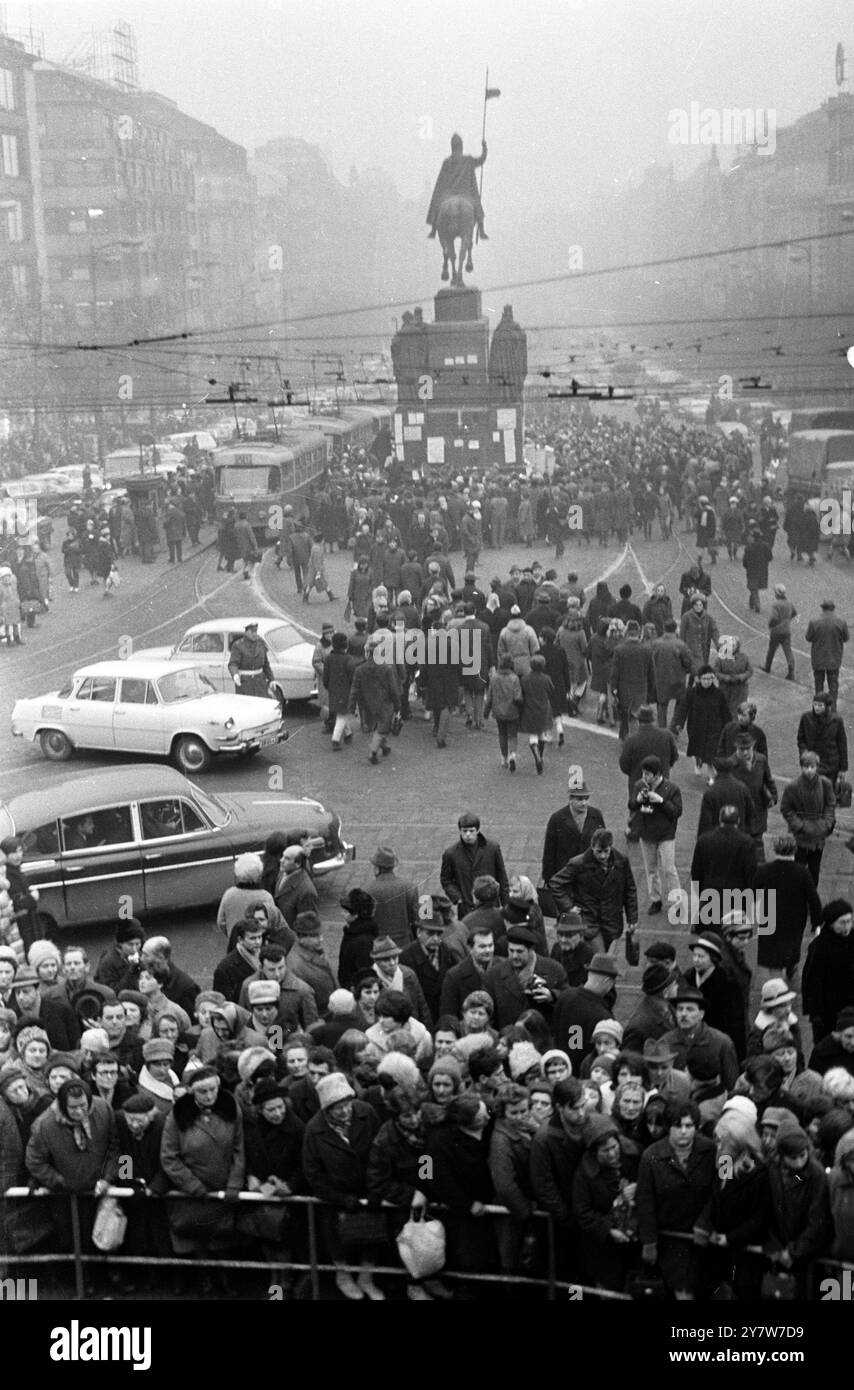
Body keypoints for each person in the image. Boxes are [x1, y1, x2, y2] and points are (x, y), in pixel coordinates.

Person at [302, 1072, 383, 1300]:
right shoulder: (314, 1130)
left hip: (368, 1190)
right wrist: (337, 1197)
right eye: (338, 1108)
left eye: (348, 1104)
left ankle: (366, 1278)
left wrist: (377, 1186)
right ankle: (343, 1275)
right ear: (327, 1109)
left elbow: (381, 1150)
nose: (346, 1111)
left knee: (372, 1234)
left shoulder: (366, 1113)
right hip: (335, 1197)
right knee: (336, 1239)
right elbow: (312, 1172)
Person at [636, 1098, 717, 1297]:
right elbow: (645, 1202)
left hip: (705, 1238)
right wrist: (649, 1242)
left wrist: (705, 1223)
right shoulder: (650, 1156)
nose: (683, 1131)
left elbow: (723, 1190)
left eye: (689, 1126)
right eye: (677, 1125)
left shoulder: (715, 1151)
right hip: (671, 1241)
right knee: (683, 1292)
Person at [549, 827, 638, 954]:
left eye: (606, 851)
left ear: (611, 847)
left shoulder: (621, 861)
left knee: (605, 957)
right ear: (592, 848)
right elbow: (555, 883)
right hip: (589, 920)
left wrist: (632, 918)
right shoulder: (578, 864)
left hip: (612, 921)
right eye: (599, 852)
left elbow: (629, 889)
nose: (603, 856)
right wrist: (569, 907)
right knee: (600, 958)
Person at [754, 835, 822, 987]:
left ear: (775, 849)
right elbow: (813, 898)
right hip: (795, 917)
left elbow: (751, 892)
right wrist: (816, 922)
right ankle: (790, 965)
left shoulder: (765, 870)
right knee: (792, 944)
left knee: (772, 954)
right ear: (795, 850)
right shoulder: (802, 873)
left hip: (769, 915)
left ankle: (777, 984)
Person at [628, 755, 683, 916]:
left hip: (666, 835)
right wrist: (637, 800)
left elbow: (677, 812)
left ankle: (677, 902)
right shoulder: (639, 786)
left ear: (658, 774)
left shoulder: (671, 789)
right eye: (643, 773)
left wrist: (660, 801)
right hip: (647, 834)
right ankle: (656, 900)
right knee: (651, 869)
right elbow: (631, 805)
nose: (644, 777)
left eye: (648, 774)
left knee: (669, 869)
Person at [780, 751, 836, 886]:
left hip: (818, 836)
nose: (809, 770)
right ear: (801, 767)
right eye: (806, 767)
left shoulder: (825, 784)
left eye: (812, 767)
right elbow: (786, 808)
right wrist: (799, 826)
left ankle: (811, 898)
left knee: (814, 871)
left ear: (817, 767)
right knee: (798, 870)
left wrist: (827, 823)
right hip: (800, 837)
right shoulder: (792, 787)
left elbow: (830, 804)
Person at [802, 901, 854, 1045]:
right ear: (831, 923)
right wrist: (815, 1013)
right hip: (829, 1012)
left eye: (849, 921)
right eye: (842, 923)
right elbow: (810, 981)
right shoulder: (819, 947)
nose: (847, 926)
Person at [440, 813, 508, 918]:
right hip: (467, 908)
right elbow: (446, 880)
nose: (468, 834)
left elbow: (502, 877)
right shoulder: (451, 853)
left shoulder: (492, 848)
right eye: (464, 831)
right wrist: (458, 899)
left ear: (477, 830)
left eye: (471, 831)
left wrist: (506, 904)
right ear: (460, 831)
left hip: (490, 906)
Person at [540, 778, 606, 886]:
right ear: (570, 799)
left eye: (586, 798)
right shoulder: (557, 819)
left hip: (590, 875)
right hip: (565, 876)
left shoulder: (596, 815)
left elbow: (604, 842)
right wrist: (548, 879)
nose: (584, 803)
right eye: (579, 799)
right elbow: (549, 852)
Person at [426, 133, 489, 241]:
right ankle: (481, 229)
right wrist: (484, 147)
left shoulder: (447, 162)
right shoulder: (468, 160)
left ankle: (433, 229)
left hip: (447, 195)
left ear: (452, 146)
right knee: (477, 205)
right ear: (461, 146)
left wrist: (439, 195)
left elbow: (440, 183)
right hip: (466, 195)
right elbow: (481, 160)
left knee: (437, 202)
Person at [366, 846, 419, 950]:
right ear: (393, 867)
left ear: (377, 868)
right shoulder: (409, 887)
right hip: (405, 944)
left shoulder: (368, 890)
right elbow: (417, 918)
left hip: (379, 945)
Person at [683, 667, 731, 780]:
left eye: (709, 679)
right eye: (704, 679)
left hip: (714, 729)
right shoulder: (692, 693)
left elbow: (725, 711)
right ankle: (698, 762)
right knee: (697, 749)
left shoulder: (719, 694)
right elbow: (683, 708)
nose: (707, 681)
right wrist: (678, 724)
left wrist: (730, 726)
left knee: (711, 754)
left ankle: (711, 777)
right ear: (699, 679)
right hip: (696, 728)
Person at [805, 599, 849, 709]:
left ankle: (818, 710)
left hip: (818, 659)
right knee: (833, 687)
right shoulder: (841, 622)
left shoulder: (814, 621)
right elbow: (846, 638)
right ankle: (833, 711)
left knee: (818, 687)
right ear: (833, 608)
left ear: (822, 608)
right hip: (834, 660)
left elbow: (808, 638)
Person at [797, 692, 848, 785]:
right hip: (812, 764)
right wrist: (804, 754)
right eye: (815, 704)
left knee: (829, 794)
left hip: (831, 765)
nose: (817, 708)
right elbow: (801, 739)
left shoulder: (836, 720)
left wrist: (843, 768)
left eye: (820, 705)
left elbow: (842, 744)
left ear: (827, 706)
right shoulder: (806, 718)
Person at [484, 652, 523, 771]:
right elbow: (517, 697)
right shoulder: (514, 678)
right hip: (512, 712)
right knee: (512, 735)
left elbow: (489, 696)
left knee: (502, 734)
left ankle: (504, 758)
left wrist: (486, 711)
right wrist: (521, 705)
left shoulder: (494, 677)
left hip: (499, 712)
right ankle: (513, 755)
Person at [227, 622, 274, 699]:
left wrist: (271, 679)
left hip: (260, 683)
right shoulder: (238, 646)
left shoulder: (261, 643)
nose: (254, 634)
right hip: (245, 684)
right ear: (246, 632)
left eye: (255, 631)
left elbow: (266, 664)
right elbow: (233, 664)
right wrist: (235, 674)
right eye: (252, 632)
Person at [764, 584, 797, 680]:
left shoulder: (776, 604)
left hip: (776, 632)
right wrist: (787, 621)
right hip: (786, 631)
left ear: (777, 594)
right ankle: (791, 672)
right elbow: (794, 613)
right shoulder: (789, 603)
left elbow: (774, 617)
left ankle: (767, 668)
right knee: (788, 652)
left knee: (771, 650)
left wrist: (771, 625)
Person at [742, 528, 773, 613]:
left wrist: (746, 566)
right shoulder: (766, 546)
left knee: (753, 586)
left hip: (751, 570)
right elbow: (770, 557)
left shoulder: (749, 547)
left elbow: (745, 560)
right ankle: (752, 602)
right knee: (755, 586)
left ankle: (757, 603)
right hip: (762, 570)